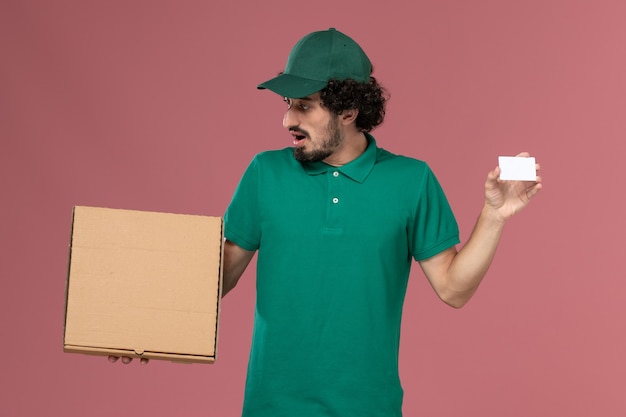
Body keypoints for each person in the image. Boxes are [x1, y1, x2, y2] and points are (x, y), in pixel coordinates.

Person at [112, 28, 542, 417]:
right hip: (271, 407)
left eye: (304, 106)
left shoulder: (411, 181)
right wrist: (142, 325)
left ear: (350, 109)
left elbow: (453, 288)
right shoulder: (265, 173)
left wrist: (494, 215)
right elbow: (216, 278)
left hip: (368, 409)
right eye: (287, 105)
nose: (288, 121)